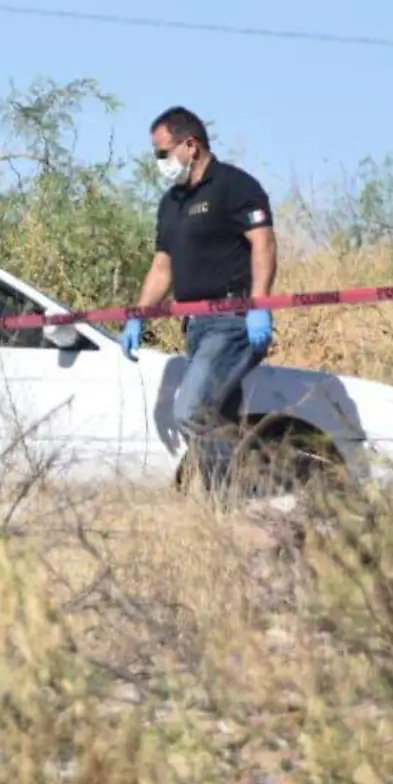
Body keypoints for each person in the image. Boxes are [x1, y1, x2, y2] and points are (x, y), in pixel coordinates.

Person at [120, 106, 278, 497]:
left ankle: (245, 500)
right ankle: (234, 514)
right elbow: (162, 267)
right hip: (195, 327)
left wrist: (259, 304)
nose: (159, 161)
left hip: (231, 321)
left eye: (163, 151)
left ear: (190, 145)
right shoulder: (171, 202)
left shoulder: (235, 186)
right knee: (220, 419)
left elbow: (264, 243)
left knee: (191, 410)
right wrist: (139, 316)